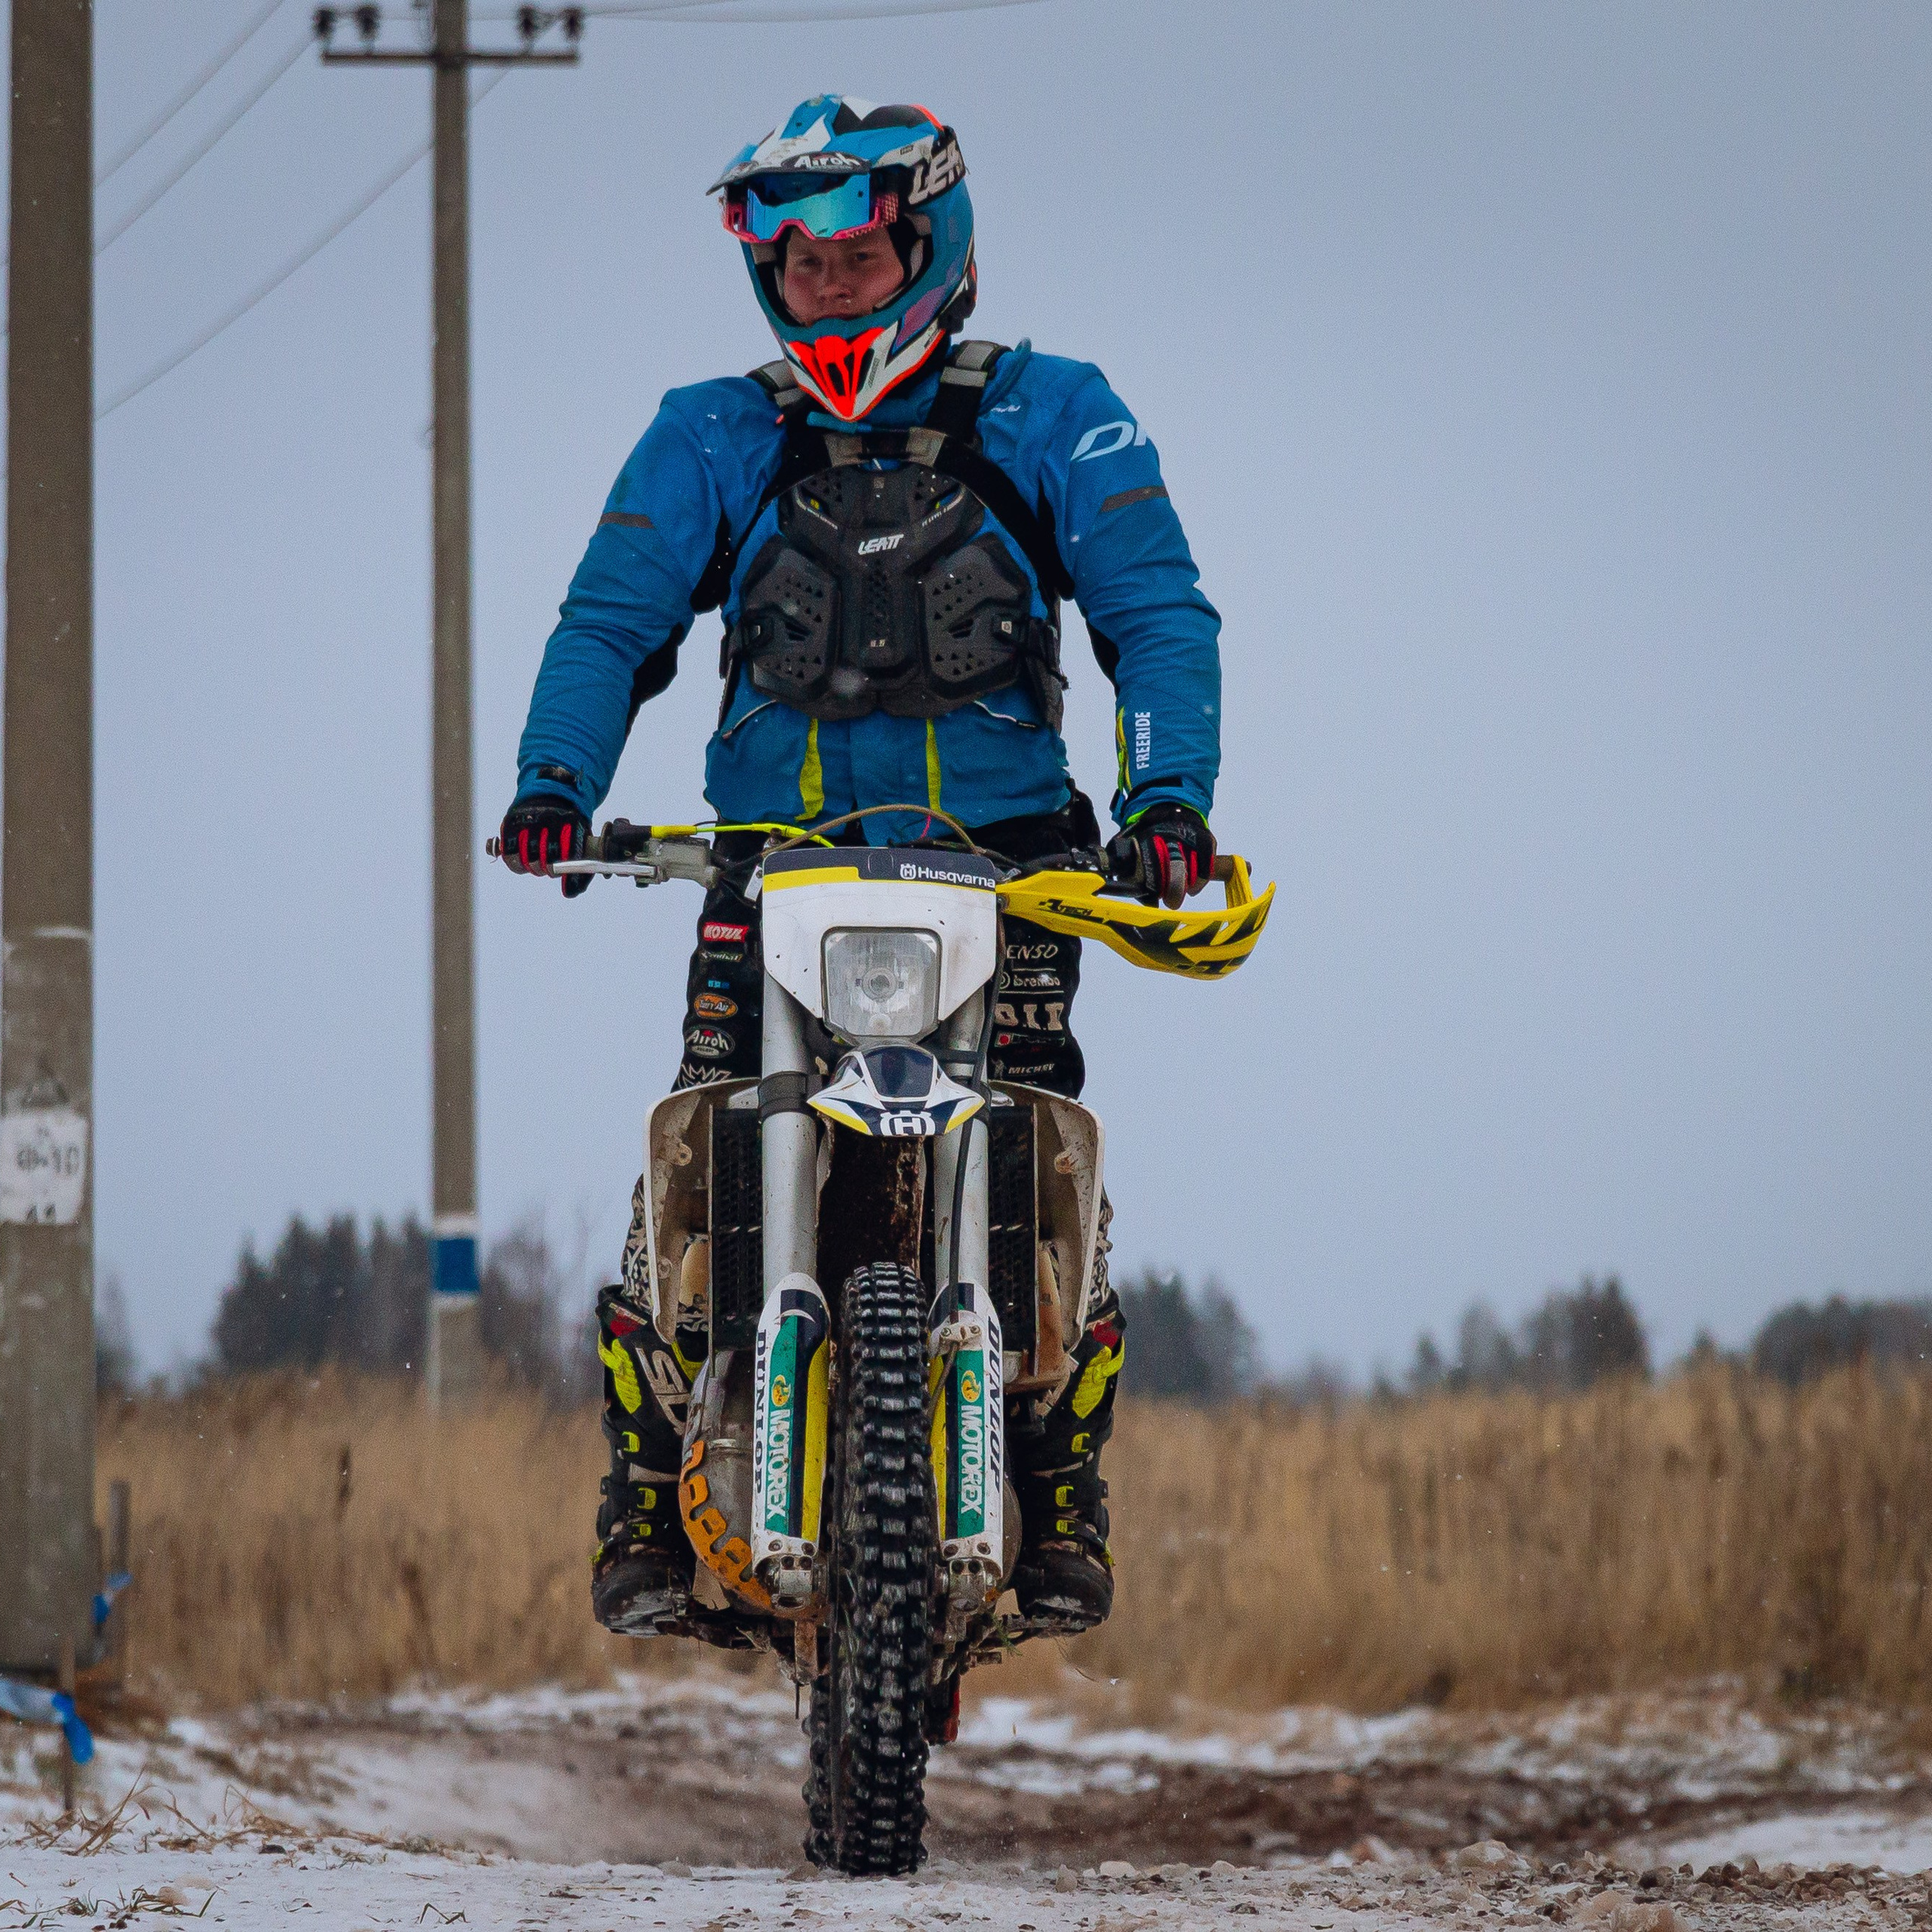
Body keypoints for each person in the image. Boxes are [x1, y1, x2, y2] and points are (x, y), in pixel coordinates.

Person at [500, 96, 1222, 1641]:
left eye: (855, 258)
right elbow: (610, 619)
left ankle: (1060, 1475)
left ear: (926, 243)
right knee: (696, 1137)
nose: (826, 287)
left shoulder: (1055, 410)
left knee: (1039, 1149)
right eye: (799, 265)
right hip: (773, 868)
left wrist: (1164, 799)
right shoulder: (714, 429)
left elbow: (1156, 612)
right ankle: (643, 1482)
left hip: (1007, 871)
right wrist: (556, 784)